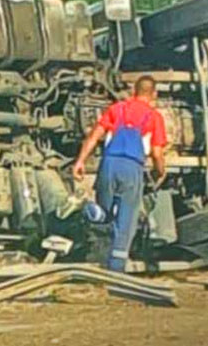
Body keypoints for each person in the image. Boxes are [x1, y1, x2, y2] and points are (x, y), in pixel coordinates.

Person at [73, 75, 167, 272]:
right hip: (131, 168)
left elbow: (94, 136)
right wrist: (160, 172)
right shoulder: (154, 117)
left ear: (134, 91)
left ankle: (92, 210)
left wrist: (80, 161)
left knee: (106, 213)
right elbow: (157, 153)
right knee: (126, 220)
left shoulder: (117, 108)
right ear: (154, 94)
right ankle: (116, 270)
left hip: (108, 164)